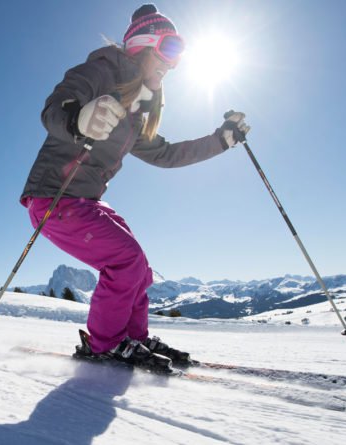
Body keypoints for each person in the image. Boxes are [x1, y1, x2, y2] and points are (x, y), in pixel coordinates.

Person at [20, 4, 250, 371]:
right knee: (124, 259)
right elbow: (53, 109)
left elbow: (165, 154)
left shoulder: (133, 112)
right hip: (55, 198)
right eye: (170, 49)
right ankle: (103, 345)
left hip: (85, 201)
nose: (173, 64)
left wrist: (220, 141)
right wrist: (78, 119)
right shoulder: (102, 69)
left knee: (139, 268)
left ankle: (133, 336)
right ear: (144, 44)